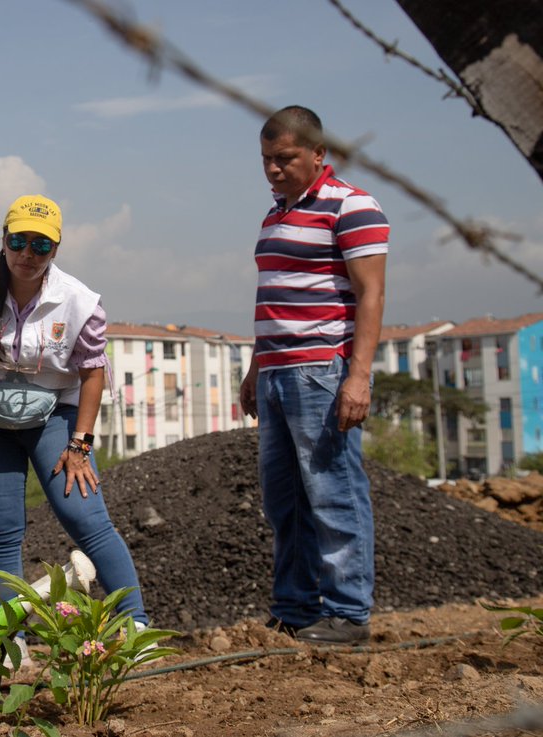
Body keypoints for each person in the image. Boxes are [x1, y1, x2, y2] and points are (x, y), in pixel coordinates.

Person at [0, 195, 149, 630]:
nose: (28, 254)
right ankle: (9, 639)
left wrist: (80, 444)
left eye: (41, 245)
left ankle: (136, 624)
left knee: (83, 516)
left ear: (55, 248)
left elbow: (92, 374)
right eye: (18, 242)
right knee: (2, 529)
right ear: (4, 240)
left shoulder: (78, 301)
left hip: (57, 413)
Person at [239, 105, 388, 645]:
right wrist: (255, 367)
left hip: (321, 372)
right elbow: (274, 296)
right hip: (276, 373)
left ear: (318, 153)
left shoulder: (352, 206)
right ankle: (296, 607)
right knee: (285, 500)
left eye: (284, 158)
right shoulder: (275, 215)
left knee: (333, 491)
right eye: (266, 159)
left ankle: (348, 612)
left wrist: (358, 376)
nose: (273, 169)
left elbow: (371, 294)